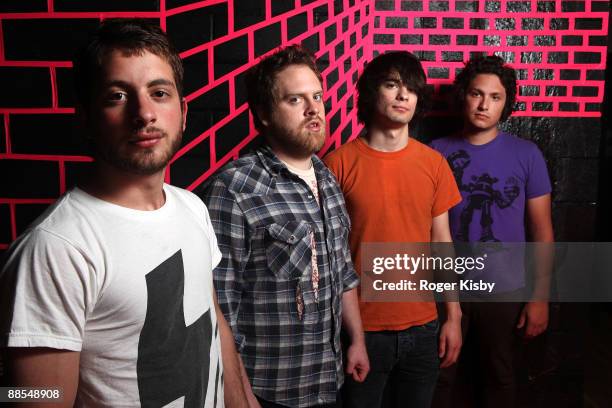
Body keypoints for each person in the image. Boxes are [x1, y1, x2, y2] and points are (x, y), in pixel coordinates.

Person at [0, 19, 247, 407]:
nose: (144, 113)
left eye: (159, 93)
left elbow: (214, 325)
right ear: (85, 118)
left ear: (183, 112)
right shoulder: (55, 249)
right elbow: (30, 396)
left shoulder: (192, 208)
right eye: (117, 95)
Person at [200, 45, 369, 408]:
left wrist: (356, 340)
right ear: (263, 113)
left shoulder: (326, 177)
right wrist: (239, 396)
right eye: (295, 99)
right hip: (268, 391)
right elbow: (218, 308)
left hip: (329, 380)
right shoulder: (235, 187)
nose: (314, 109)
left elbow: (343, 271)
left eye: (317, 96)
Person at [324, 51, 463, 408]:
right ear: (372, 93)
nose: (403, 96)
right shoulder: (337, 164)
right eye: (392, 85)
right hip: (361, 330)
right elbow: (330, 254)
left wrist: (453, 315)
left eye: (411, 89)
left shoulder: (434, 164)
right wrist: (350, 334)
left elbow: (442, 242)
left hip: (423, 326)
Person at [430, 55, 554, 408]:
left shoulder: (526, 154)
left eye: (495, 97)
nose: (484, 104)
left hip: (504, 288)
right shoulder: (436, 152)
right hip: (447, 287)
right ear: (463, 97)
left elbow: (542, 231)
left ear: (506, 103)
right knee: (440, 373)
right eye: (476, 94)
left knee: (499, 376)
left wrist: (539, 297)